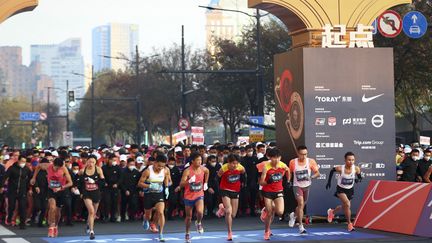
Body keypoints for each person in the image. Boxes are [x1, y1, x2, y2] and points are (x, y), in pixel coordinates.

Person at [259, 148, 290, 240]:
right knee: (269, 214)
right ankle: (267, 231)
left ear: (280, 158)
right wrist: (268, 181)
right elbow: (261, 182)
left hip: (278, 190)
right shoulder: (266, 167)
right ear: (270, 158)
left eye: (278, 157)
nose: (276, 160)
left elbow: (288, 171)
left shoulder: (282, 165)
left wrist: (288, 181)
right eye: (273, 158)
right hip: (267, 191)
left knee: (280, 212)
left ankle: (266, 209)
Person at [325, 152, 362, 231]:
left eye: (352, 160)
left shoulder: (356, 168)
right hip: (341, 189)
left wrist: (357, 180)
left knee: (346, 206)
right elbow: (332, 171)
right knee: (347, 204)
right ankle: (349, 224)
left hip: (350, 190)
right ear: (345, 160)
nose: (351, 162)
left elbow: (360, 178)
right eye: (349, 160)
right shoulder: (340, 168)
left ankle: (332, 212)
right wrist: (329, 182)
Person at [177, 152, 209, 243]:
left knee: (200, 212)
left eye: (201, 160)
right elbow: (181, 184)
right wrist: (189, 181)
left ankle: (198, 223)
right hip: (188, 196)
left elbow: (207, 172)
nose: (200, 162)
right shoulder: (187, 171)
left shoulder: (203, 169)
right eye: (198, 160)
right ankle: (187, 233)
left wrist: (206, 183)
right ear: (192, 161)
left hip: (199, 194)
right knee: (189, 217)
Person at [288, 145, 320, 234]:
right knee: (301, 204)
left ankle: (293, 215)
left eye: (305, 154)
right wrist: (288, 180)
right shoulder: (292, 162)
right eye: (302, 154)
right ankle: (301, 226)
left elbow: (318, 173)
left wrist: (311, 176)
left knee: (302, 205)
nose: (304, 156)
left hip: (307, 186)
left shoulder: (311, 161)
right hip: (297, 186)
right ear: (298, 153)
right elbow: (289, 173)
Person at [138, 154, 170, 242]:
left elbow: (166, 178)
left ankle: (161, 233)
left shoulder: (165, 170)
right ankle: (145, 219)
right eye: (159, 166)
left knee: (160, 212)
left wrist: (166, 187)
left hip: (159, 194)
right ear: (155, 163)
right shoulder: (148, 171)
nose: (160, 168)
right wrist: (150, 185)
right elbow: (140, 183)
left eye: (162, 166)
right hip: (148, 194)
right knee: (148, 215)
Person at [216, 154, 246, 241]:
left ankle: (222, 208)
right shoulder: (224, 168)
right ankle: (229, 233)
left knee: (233, 214)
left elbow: (244, 176)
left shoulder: (240, 168)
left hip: (235, 191)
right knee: (229, 211)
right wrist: (219, 190)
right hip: (225, 190)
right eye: (233, 163)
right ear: (229, 162)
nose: (235, 165)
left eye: (236, 163)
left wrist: (243, 183)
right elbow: (216, 178)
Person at [1, 155, 32, 229]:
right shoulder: (12, 168)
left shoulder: (26, 169)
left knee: (22, 207)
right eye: (22, 161)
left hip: (22, 191)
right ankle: (9, 218)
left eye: (24, 162)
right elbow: (5, 177)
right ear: (18, 161)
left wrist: (30, 188)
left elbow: (31, 178)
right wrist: (1, 186)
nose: (23, 163)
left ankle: (22, 224)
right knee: (11, 206)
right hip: (12, 190)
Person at [80, 155, 105, 240]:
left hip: (96, 193)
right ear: (87, 162)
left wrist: (95, 181)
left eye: (93, 162)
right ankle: (92, 231)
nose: (91, 164)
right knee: (91, 211)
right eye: (89, 161)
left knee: (94, 213)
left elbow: (103, 182)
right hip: (86, 193)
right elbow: (79, 181)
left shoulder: (98, 169)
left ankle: (88, 223)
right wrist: (80, 191)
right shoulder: (83, 170)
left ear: (95, 163)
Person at [102, 153, 121, 222]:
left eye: (115, 160)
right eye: (113, 160)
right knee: (106, 202)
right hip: (107, 187)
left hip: (115, 187)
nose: (114, 161)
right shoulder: (104, 168)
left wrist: (117, 184)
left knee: (114, 202)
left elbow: (121, 177)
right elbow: (101, 177)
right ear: (109, 160)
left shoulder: (118, 167)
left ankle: (113, 216)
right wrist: (104, 183)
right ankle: (106, 216)